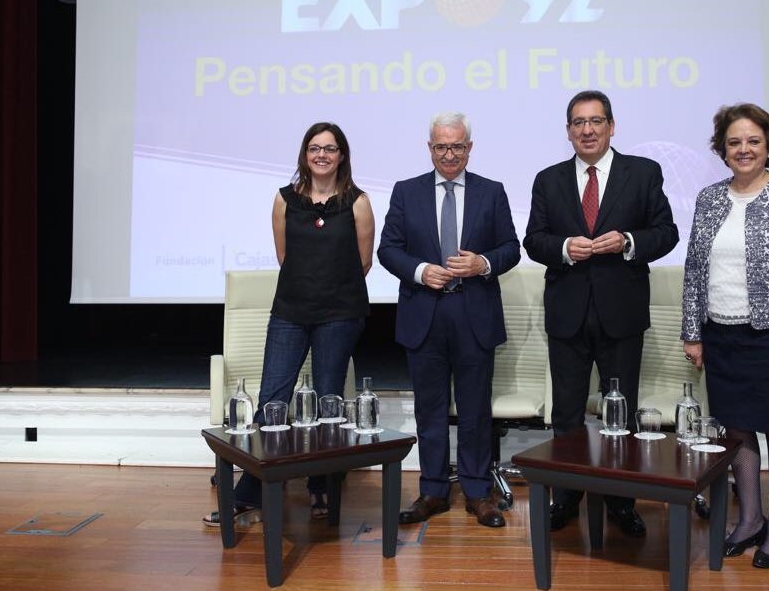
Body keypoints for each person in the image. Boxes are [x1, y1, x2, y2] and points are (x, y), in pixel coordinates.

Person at [202, 122, 375, 526]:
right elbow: (286, 257)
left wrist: (329, 292)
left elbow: (363, 262)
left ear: (342, 156)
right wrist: (308, 289)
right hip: (290, 312)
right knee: (273, 399)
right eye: (314, 148)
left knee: (329, 401)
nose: (322, 155)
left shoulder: (358, 201)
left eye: (330, 149)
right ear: (304, 154)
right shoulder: (284, 200)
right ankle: (254, 492)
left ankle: (321, 489)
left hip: (340, 313)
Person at [523, 90, 679, 536]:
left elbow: (665, 232)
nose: (587, 130)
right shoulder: (548, 179)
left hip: (621, 314)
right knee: (568, 416)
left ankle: (620, 500)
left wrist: (629, 241)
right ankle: (566, 495)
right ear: (568, 130)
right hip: (568, 314)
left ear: (612, 126)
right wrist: (564, 248)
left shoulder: (643, 173)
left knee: (620, 412)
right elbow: (534, 240)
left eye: (595, 121)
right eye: (577, 123)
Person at [681, 103, 769, 568]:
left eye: (753, 141)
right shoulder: (708, 199)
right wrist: (693, 332)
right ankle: (750, 520)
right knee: (736, 428)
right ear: (723, 150)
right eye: (734, 142)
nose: (743, 150)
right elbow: (694, 270)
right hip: (720, 334)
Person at [377, 112, 520, 528]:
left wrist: (483, 263)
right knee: (430, 408)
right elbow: (388, 249)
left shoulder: (492, 192)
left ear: (469, 148)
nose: (449, 154)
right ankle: (434, 490)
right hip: (425, 311)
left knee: (475, 409)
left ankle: (478, 492)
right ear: (430, 148)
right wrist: (421, 270)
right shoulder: (407, 192)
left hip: (473, 311)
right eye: (441, 146)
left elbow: (511, 248)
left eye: (457, 146)